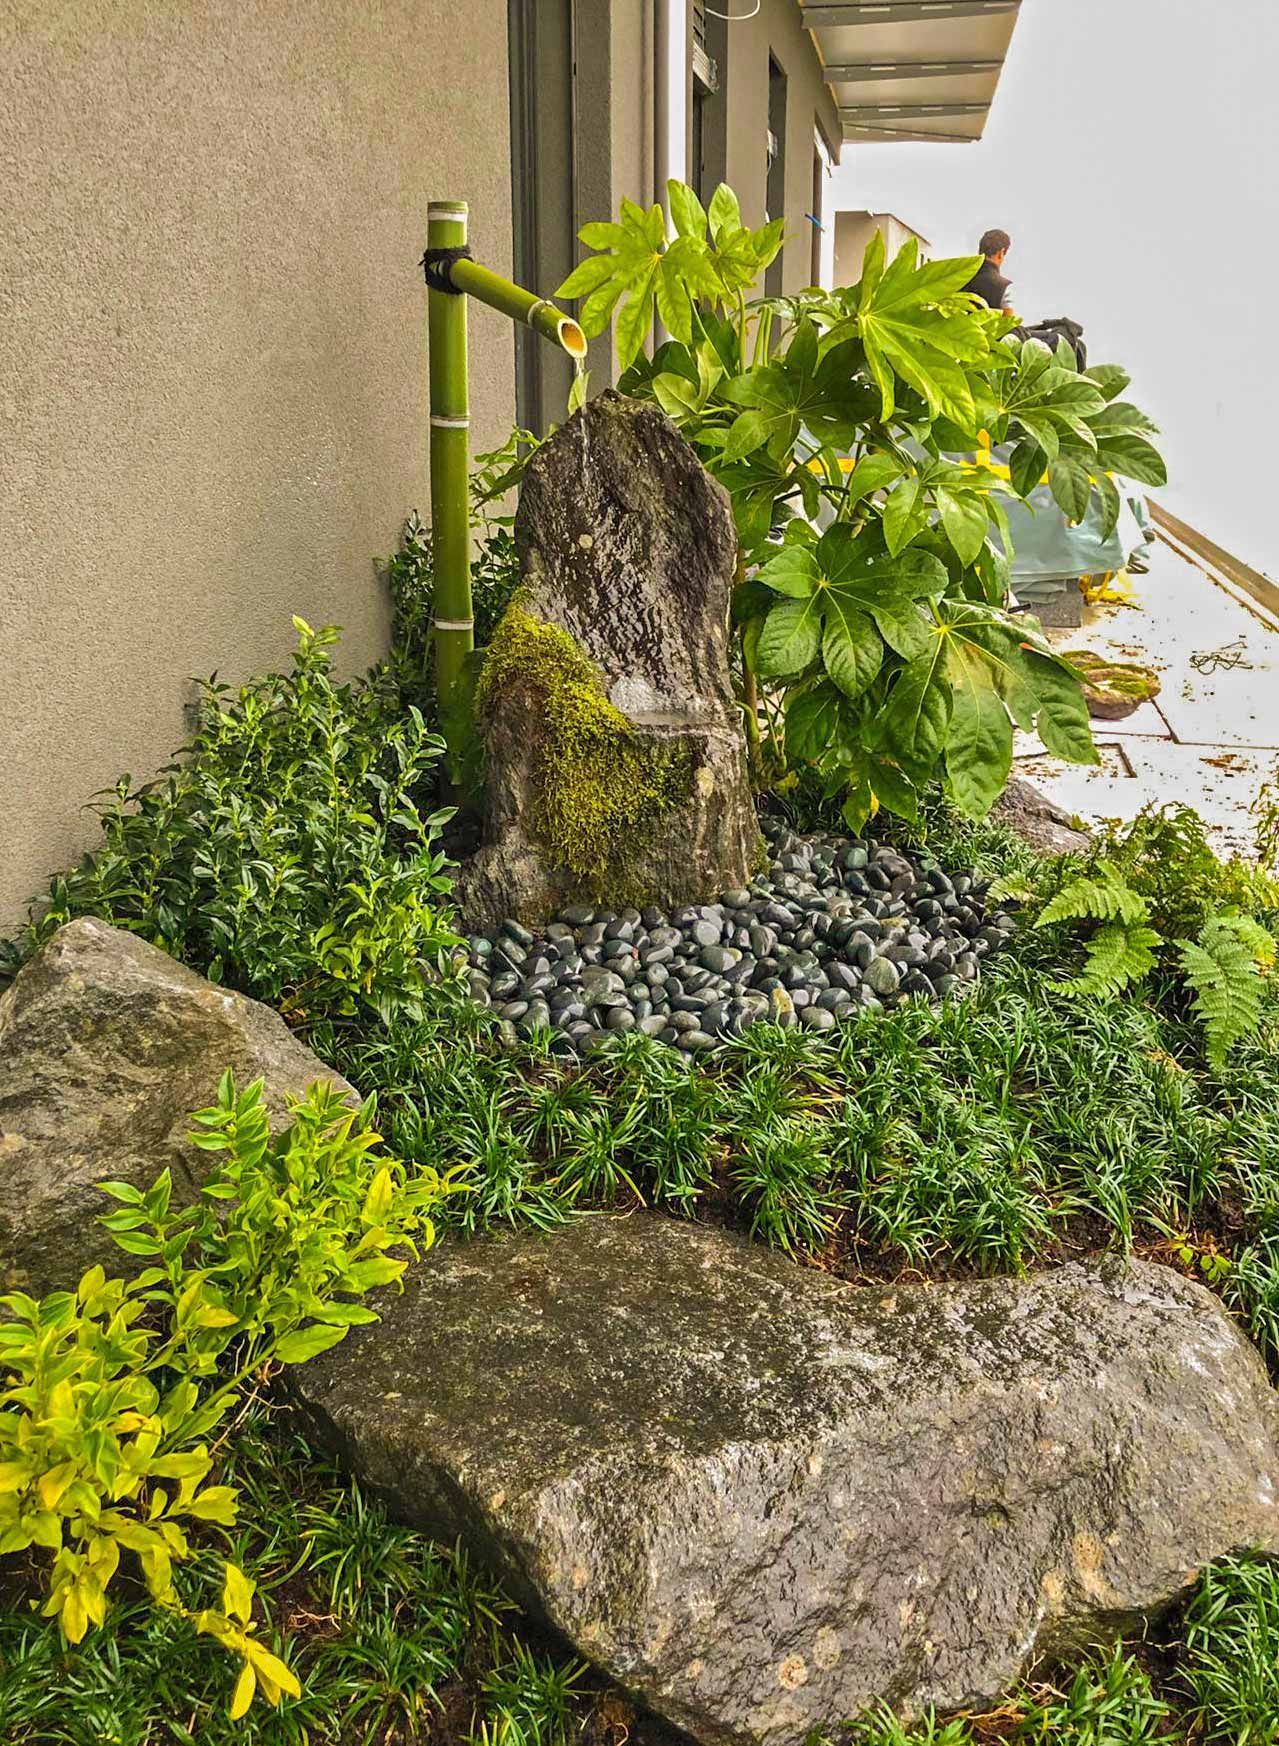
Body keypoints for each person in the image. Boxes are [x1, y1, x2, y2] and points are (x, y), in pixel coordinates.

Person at [963, 228, 1013, 312]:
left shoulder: (960, 277)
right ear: (1001, 253)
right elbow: (1009, 319)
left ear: (979, 251)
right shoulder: (1003, 287)